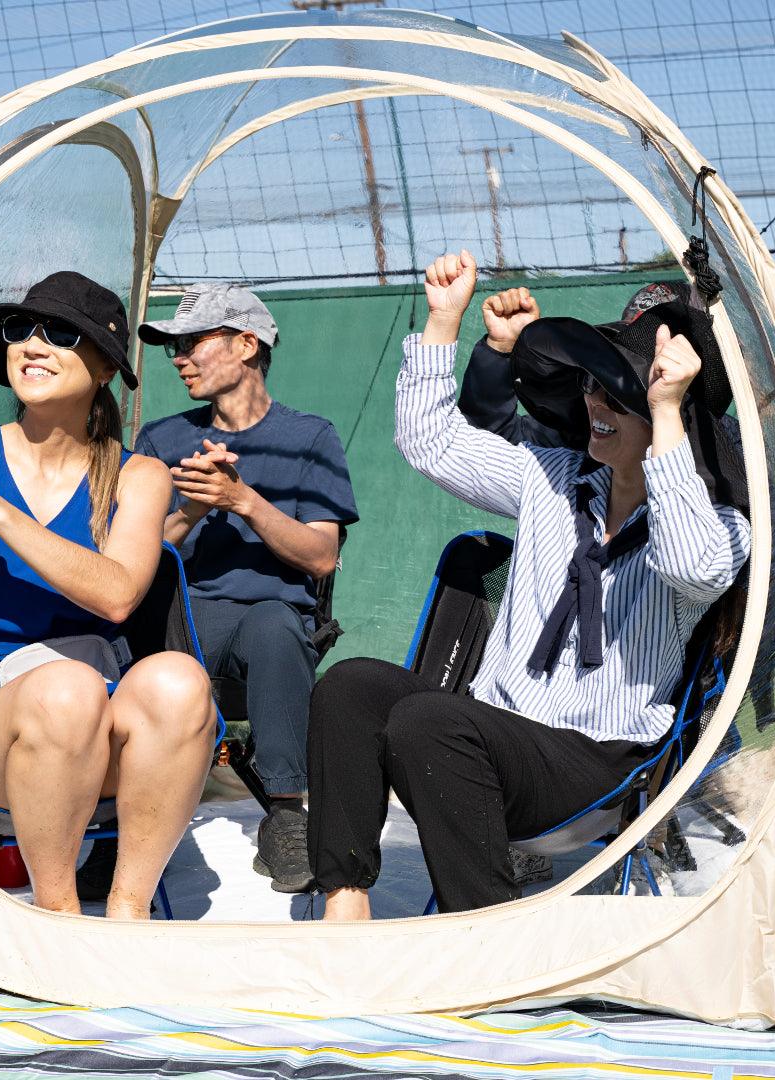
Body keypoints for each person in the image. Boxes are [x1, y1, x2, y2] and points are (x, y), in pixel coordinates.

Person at [307, 251, 751, 919]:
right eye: (593, 387)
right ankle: (345, 910)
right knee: (350, 687)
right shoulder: (550, 477)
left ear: (670, 418)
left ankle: (484, 932)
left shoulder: (716, 527)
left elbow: (691, 565)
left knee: (432, 722)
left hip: (596, 759)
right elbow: (430, 442)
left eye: (618, 395)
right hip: (499, 727)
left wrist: (664, 413)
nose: (594, 403)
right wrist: (442, 321)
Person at [0, 271, 216, 919]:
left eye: (60, 333)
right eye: (19, 329)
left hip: (94, 714)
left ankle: (128, 910)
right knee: (64, 691)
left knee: (178, 682)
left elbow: (116, 597)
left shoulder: (138, 476)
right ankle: (58, 918)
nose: (32, 343)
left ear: (106, 368)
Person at [131, 283, 359, 893]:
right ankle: (122, 823)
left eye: (191, 343)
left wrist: (244, 501)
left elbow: (321, 556)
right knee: (130, 649)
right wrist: (192, 507)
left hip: (272, 618)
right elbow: (131, 558)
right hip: (186, 621)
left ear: (246, 344)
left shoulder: (310, 438)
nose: (177, 358)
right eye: (170, 347)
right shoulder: (160, 440)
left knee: (277, 626)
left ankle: (285, 816)